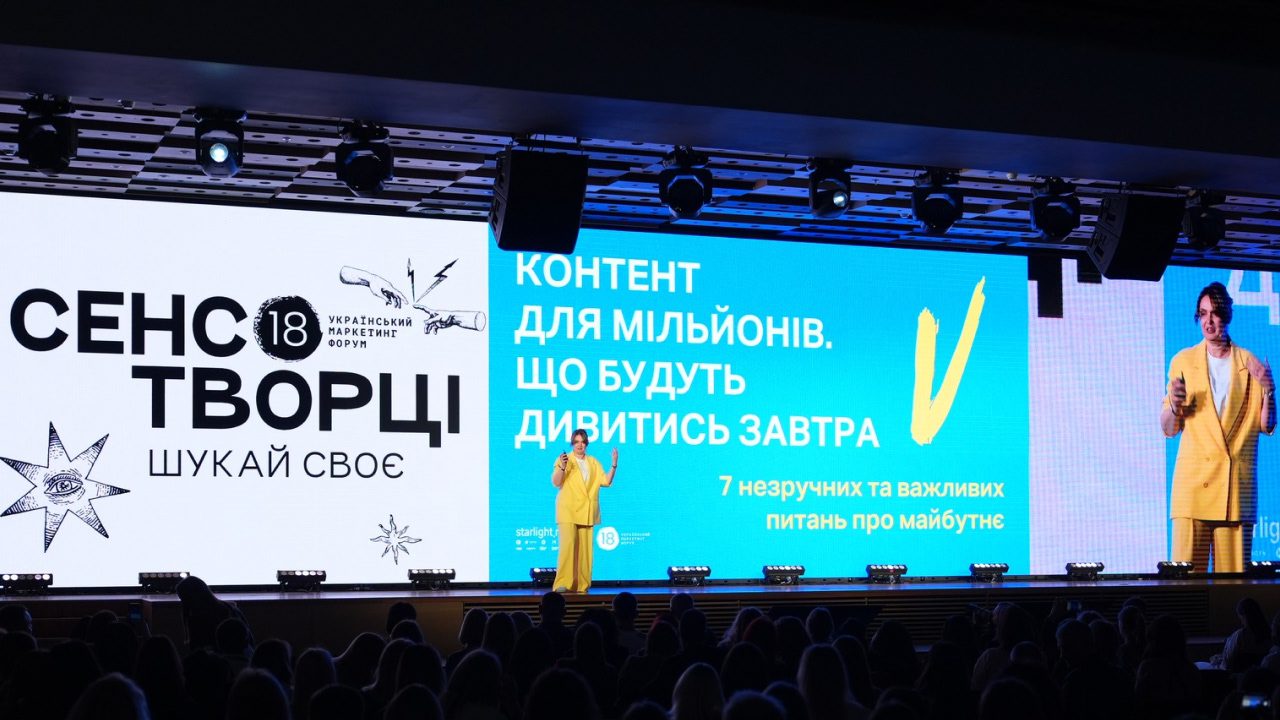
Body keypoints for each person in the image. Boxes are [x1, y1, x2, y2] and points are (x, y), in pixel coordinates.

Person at [1161, 281, 1276, 572]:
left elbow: (1267, 425)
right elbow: (1169, 429)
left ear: (1227, 314)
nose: (1208, 321)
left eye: (1215, 313)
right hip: (1192, 489)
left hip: (1235, 488)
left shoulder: (1248, 362)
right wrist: (1174, 405)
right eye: (1203, 314)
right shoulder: (1183, 361)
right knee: (1187, 586)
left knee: (1234, 587)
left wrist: (1270, 392)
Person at [551, 429, 618, 593]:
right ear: (572, 443)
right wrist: (562, 467)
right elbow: (556, 482)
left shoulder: (593, 462)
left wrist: (614, 464)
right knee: (568, 548)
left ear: (586, 443)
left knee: (585, 552)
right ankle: (563, 583)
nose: (579, 445)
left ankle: (582, 584)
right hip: (568, 509)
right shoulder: (565, 460)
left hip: (587, 511)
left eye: (582, 442)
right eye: (576, 442)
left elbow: (606, 481)